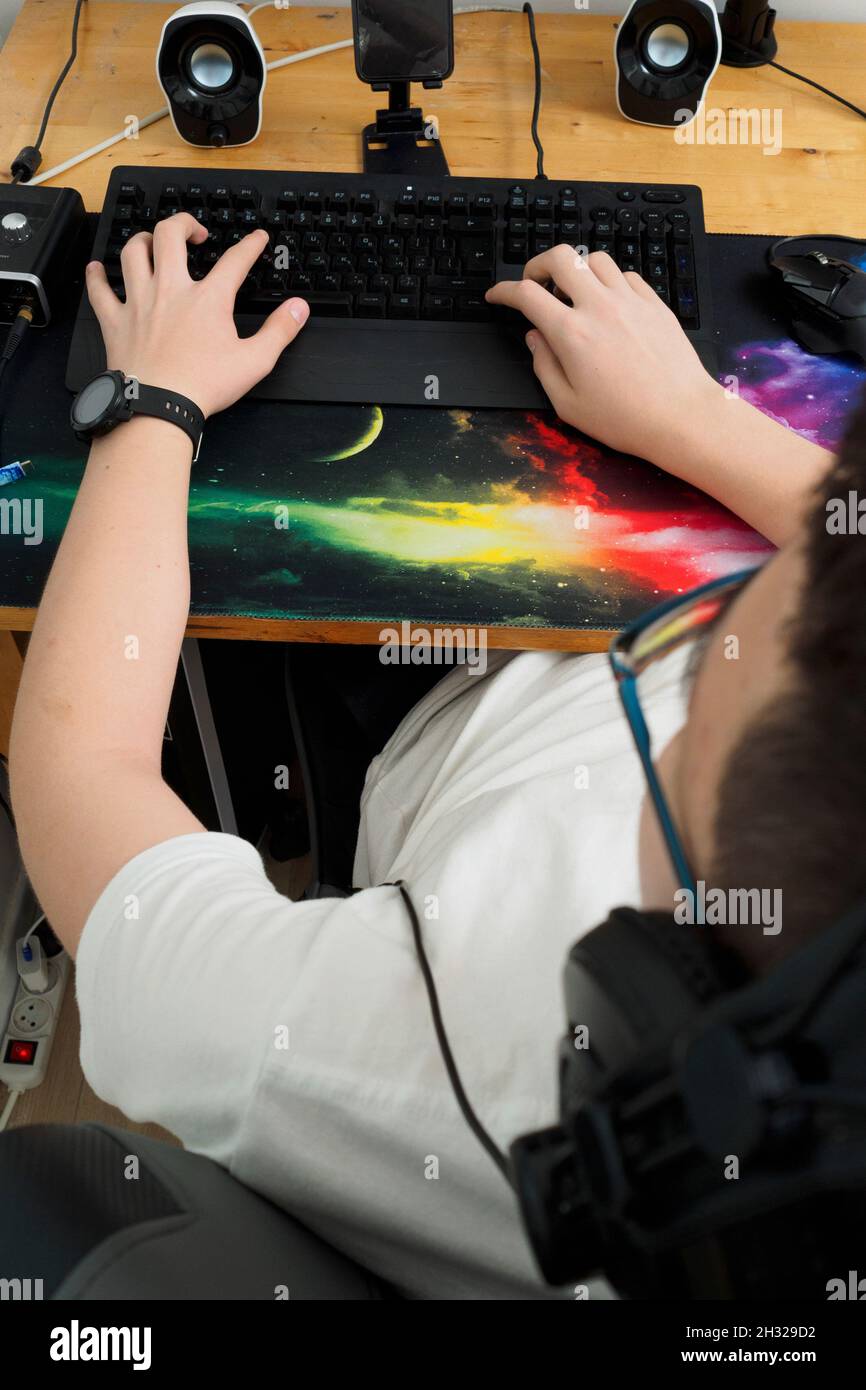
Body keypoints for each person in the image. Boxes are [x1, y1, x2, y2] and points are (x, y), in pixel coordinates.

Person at [9, 220, 858, 1300]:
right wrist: (691, 416)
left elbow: (80, 769)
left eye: (706, 664)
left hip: (430, 722)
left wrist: (153, 404)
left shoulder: (374, 1043)